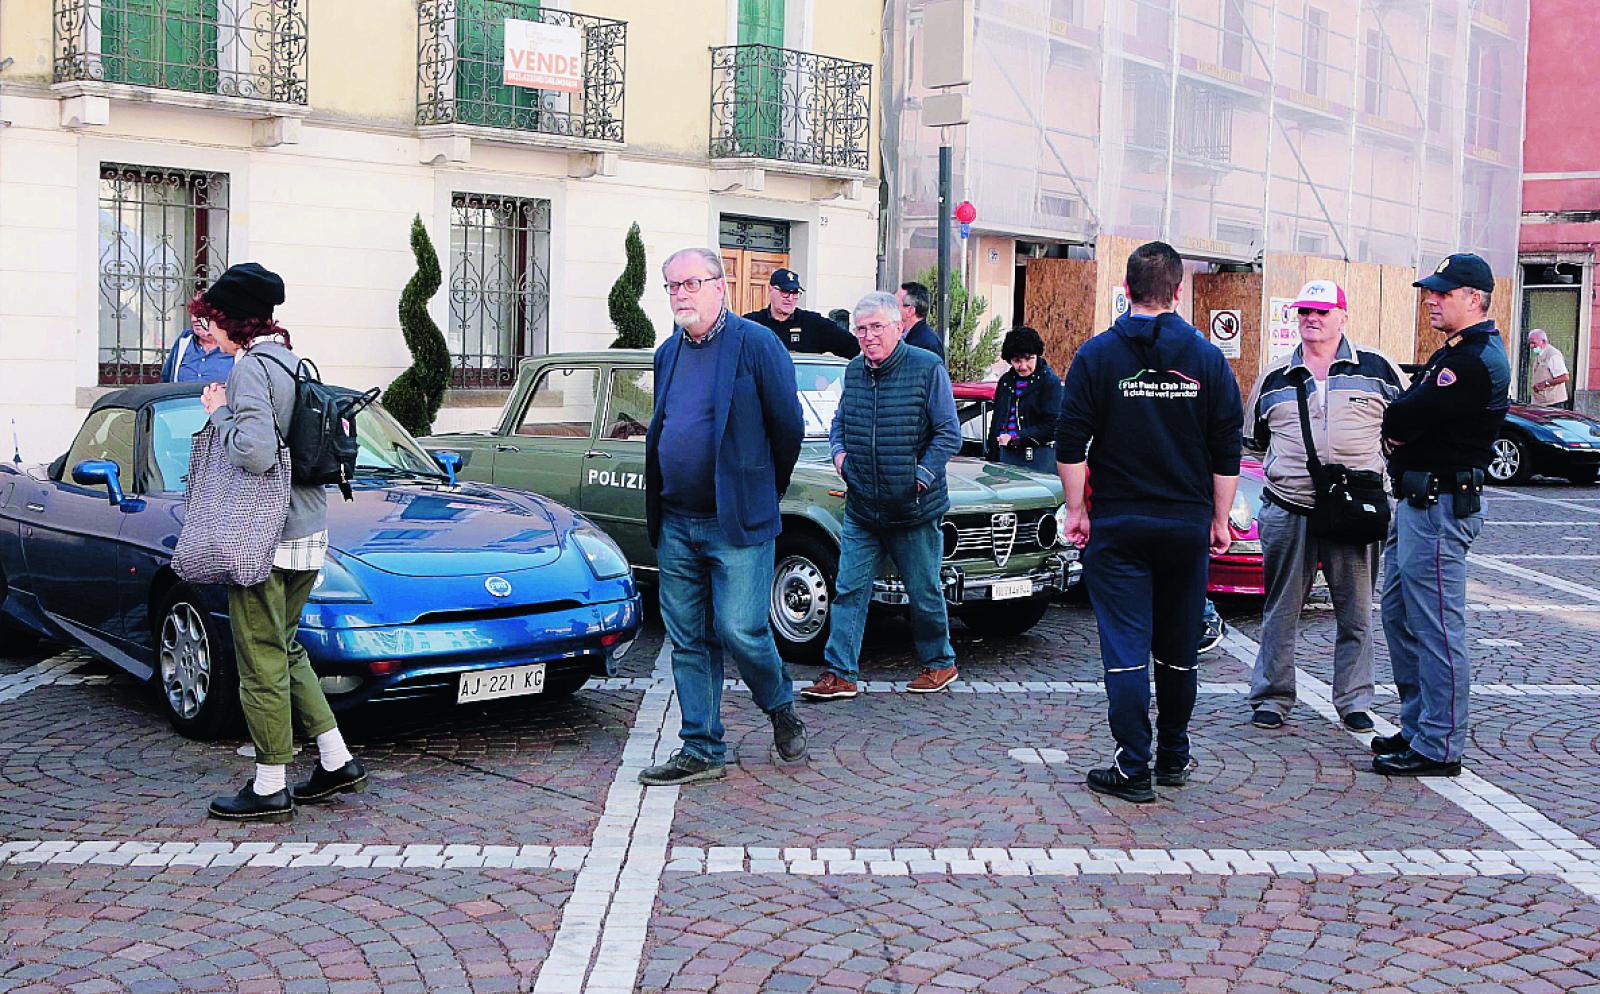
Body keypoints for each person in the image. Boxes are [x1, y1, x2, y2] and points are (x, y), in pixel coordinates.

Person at [1056, 241, 1242, 803]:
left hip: (1120, 523)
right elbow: (1225, 449)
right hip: (1184, 526)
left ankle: (1132, 767)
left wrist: (1078, 511)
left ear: (1127, 289)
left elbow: (1070, 445)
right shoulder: (1208, 360)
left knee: (1126, 647)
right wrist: (1220, 518)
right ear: (1180, 291)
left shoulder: (1097, 356)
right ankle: (1174, 755)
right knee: (1178, 645)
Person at [197, 263, 366, 822]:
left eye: (211, 322)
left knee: (260, 656)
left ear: (232, 321)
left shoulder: (250, 371)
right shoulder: (292, 361)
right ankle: (336, 760)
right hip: (308, 530)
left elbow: (254, 454)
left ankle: (270, 783)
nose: (207, 333)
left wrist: (218, 414)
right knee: (287, 645)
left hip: (264, 535)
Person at [639, 247, 808, 786]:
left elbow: (789, 430)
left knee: (741, 630)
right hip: (676, 520)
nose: (680, 294)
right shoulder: (668, 353)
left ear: (721, 286)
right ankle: (702, 747)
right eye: (672, 286)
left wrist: (759, 489)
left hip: (736, 521)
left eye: (691, 283)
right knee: (688, 639)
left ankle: (779, 704)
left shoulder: (757, 345)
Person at [1242, 280, 1405, 734]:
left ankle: (1354, 700)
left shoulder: (1377, 368)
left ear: (1343, 316)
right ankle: (1272, 698)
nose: (1311, 319)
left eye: (1322, 312)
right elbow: (1255, 440)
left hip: (1354, 511)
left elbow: (1405, 429)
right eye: (1304, 312)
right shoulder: (1275, 375)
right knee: (1281, 610)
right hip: (1289, 507)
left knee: (1355, 611)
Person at [1372, 253, 1509, 778]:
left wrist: (1403, 425)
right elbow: (1407, 416)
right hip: (1418, 501)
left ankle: (1439, 744)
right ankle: (1419, 724)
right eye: (1431, 291)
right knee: (1400, 616)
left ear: (1474, 298)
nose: (1431, 299)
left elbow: (1404, 414)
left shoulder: (1472, 360)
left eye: (1443, 293)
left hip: (1440, 505)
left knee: (1436, 628)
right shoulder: (1455, 353)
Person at [800, 292, 962, 701]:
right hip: (862, 506)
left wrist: (920, 477)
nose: (868, 336)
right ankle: (840, 673)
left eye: (876, 327)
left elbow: (948, 432)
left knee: (923, 591)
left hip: (913, 507)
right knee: (849, 589)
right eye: (861, 329)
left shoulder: (926, 368)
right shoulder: (853, 371)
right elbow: (839, 421)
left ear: (897, 327)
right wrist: (839, 456)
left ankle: (939, 662)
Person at [987, 326, 1062, 473]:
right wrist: (991, 454)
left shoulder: (1050, 382)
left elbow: (1052, 426)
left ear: (1037, 356)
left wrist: (1016, 437)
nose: (1023, 366)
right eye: (1016, 360)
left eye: (1028, 359)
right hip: (1003, 459)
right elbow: (997, 420)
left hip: (1037, 461)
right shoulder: (1005, 381)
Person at [743, 268, 860, 359]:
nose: (790, 298)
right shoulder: (751, 324)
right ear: (770, 289)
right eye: (784, 292)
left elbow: (852, 347)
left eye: (794, 293)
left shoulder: (812, 323)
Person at [161, 312, 236, 383]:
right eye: (193, 314)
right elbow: (166, 379)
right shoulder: (184, 340)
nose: (194, 319)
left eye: (201, 314)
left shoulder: (235, 346)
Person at [896, 281, 946, 361]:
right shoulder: (902, 336)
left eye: (895, 304)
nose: (890, 308)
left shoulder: (928, 344)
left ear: (910, 311)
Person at [1527, 328, 1570, 408]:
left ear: (1543, 342)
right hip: (1541, 402)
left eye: (1534, 343)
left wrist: (1545, 384)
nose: (1531, 346)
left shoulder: (1553, 355)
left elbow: (1564, 377)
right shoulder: (1540, 354)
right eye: (1530, 343)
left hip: (1553, 403)